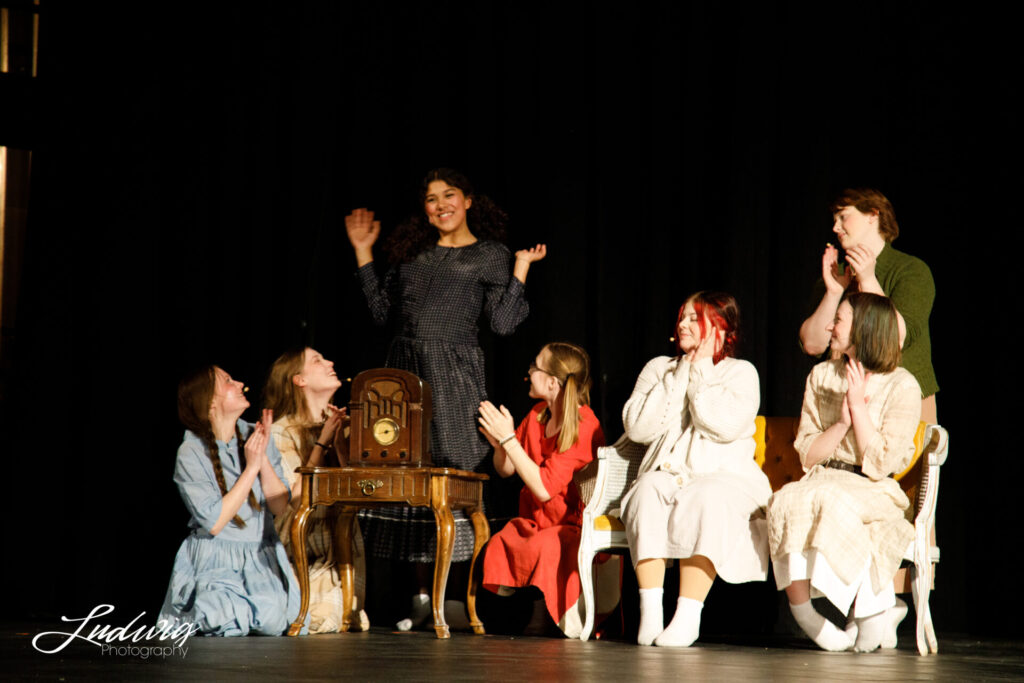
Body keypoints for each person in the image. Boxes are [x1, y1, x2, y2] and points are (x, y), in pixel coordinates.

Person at [345, 168, 545, 629]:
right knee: (408, 478)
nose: (440, 206)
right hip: (404, 376)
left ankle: (456, 596)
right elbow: (379, 310)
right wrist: (362, 250)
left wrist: (519, 268)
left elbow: (503, 323)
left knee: (454, 475)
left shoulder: (489, 255)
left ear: (469, 200)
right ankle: (418, 597)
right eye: (431, 199)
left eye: (449, 195)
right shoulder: (411, 252)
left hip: (454, 376)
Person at [769, 293, 921, 652]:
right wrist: (840, 423)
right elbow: (807, 454)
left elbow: (882, 464)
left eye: (839, 320)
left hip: (873, 486)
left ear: (864, 329)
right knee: (785, 499)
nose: (829, 326)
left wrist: (857, 405)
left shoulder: (902, 385)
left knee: (834, 501)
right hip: (824, 479)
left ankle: (872, 613)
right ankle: (807, 615)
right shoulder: (822, 375)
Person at [619, 292, 771, 647]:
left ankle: (688, 614)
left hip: (726, 478)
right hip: (671, 473)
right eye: (682, 317)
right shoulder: (660, 368)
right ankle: (652, 611)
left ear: (719, 327)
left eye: (694, 318)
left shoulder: (741, 372)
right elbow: (638, 429)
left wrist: (700, 372)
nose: (683, 324)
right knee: (645, 491)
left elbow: (722, 425)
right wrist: (679, 375)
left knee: (708, 496)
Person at [159, 366, 303, 636]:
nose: (239, 383)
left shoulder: (255, 435)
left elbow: (279, 506)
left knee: (272, 619)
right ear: (209, 401)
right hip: (215, 557)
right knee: (216, 614)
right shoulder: (191, 451)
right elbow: (214, 522)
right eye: (228, 381)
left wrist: (261, 461)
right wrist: (250, 469)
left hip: (259, 555)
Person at [477, 342, 605, 637]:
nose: (529, 371)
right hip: (537, 519)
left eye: (536, 366)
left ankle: (550, 614)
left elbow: (545, 488)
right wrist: (500, 445)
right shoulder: (537, 414)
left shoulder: (585, 424)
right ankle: (535, 608)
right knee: (503, 540)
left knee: (548, 544)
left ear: (551, 382)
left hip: (571, 524)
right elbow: (506, 469)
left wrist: (508, 439)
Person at [799, 188, 937, 423]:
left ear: (873, 215)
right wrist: (833, 293)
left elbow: (897, 337)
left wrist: (868, 279)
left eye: (843, 216)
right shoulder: (836, 275)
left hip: (900, 404)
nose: (835, 227)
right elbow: (811, 345)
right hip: (841, 403)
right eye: (834, 220)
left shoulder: (910, 270)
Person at [263, 347, 370, 633]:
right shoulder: (280, 432)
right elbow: (291, 503)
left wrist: (339, 444)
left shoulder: (346, 428)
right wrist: (321, 445)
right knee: (317, 621)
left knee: (339, 618)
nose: (330, 362)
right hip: (303, 549)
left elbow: (357, 492)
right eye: (318, 360)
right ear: (299, 380)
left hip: (341, 548)